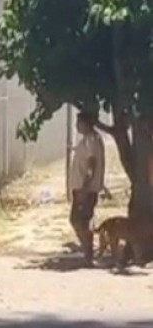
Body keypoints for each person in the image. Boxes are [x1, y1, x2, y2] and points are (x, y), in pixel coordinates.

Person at [69, 111, 105, 266]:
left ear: (86, 124)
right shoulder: (88, 140)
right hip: (83, 188)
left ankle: (89, 253)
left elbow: (92, 165)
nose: (77, 126)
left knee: (79, 220)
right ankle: (87, 252)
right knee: (79, 220)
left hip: (86, 190)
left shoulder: (91, 140)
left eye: (79, 123)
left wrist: (85, 187)